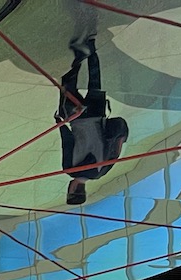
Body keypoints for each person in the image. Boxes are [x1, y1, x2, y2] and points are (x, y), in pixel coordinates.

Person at [55, 39, 129, 206]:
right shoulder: (69, 169)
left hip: (98, 117)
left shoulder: (101, 172)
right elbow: (67, 142)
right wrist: (59, 123)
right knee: (68, 88)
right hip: (77, 118)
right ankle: (78, 57)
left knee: (94, 82)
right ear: (72, 190)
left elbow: (114, 149)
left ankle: (91, 48)